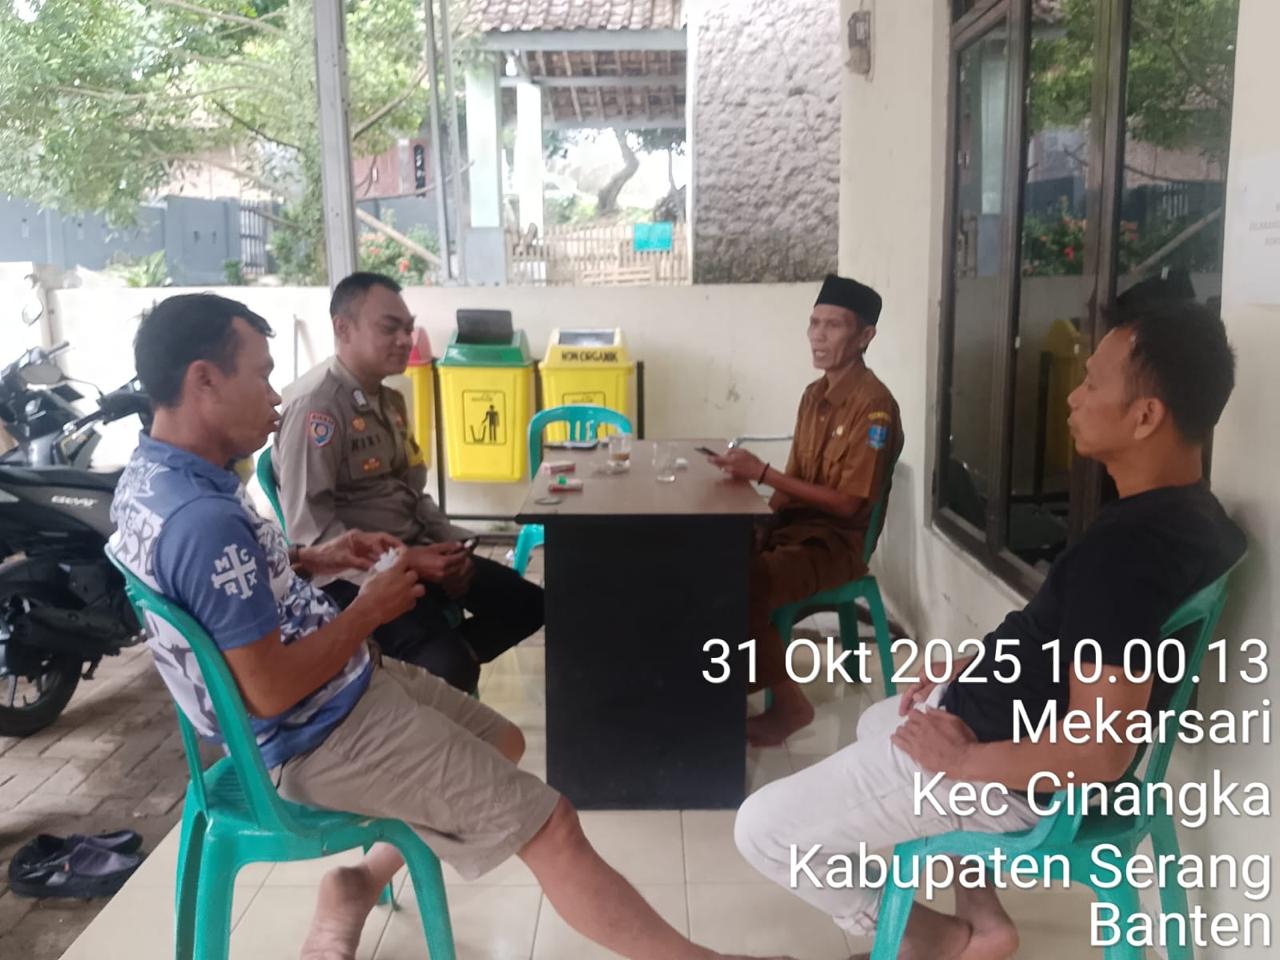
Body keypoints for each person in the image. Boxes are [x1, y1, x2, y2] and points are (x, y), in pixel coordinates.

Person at [109, 293, 792, 960]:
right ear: (204, 381)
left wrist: (315, 558)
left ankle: (356, 882)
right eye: (261, 376)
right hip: (312, 733)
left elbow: (224, 590)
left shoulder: (153, 482)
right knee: (552, 824)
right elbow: (266, 691)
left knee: (503, 739)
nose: (274, 396)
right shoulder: (205, 521)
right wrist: (368, 610)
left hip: (339, 690)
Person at [733, 300, 1245, 959]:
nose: (1074, 397)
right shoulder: (1196, 517)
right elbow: (1069, 640)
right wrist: (974, 668)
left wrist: (962, 762)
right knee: (880, 719)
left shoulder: (1126, 554)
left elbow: (1099, 751)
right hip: (996, 727)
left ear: (1146, 416)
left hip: (1009, 772)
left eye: (1092, 383)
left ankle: (941, 942)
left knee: (763, 829)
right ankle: (983, 916)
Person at [273, 272, 543, 693]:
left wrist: (453, 547)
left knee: (530, 604)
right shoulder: (317, 406)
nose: (404, 340)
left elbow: (413, 494)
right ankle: (423, 679)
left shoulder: (390, 400)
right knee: (448, 665)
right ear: (343, 328)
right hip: (357, 576)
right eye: (389, 328)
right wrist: (411, 562)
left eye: (408, 328)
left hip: (417, 551)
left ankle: (418, 677)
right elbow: (311, 534)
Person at [711, 274, 903, 746]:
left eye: (833, 326)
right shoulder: (813, 395)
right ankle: (716, 685)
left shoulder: (874, 407)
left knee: (744, 581)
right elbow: (796, 475)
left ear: (865, 336)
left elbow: (848, 503)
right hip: (794, 530)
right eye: (814, 323)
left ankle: (790, 705)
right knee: (713, 558)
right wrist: (762, 521)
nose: (818, 336)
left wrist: (762, 473)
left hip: (835, 544)